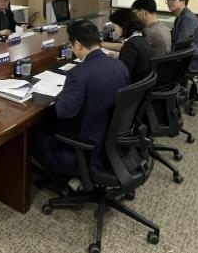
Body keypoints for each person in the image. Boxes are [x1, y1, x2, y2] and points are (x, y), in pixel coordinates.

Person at [32, 20, 129, 176]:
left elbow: (63, 112)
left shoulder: (78, 74)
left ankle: (60, 176)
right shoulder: (120, 65)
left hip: (85, 145)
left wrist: (62, 93)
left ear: (77, 44)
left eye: (71, 45)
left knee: (35, 132)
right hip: (110, 138)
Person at [108, 8, 153, 83]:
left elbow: (121, 75)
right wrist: (120, 57)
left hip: (130, 86)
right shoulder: (140, 39)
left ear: (123, 25)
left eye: (114, 27)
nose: (114, 31)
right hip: (140, 85)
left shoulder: (130, 45)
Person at [166, 0, 198, 72]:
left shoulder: (187, 19)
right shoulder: (180, 16)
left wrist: (167, 54)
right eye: (168, 0)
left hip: (192, 60)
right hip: (186, 56)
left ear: (183, 2)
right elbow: (173, 35)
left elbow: (181, 43)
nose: (169, 3)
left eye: (173, 0)